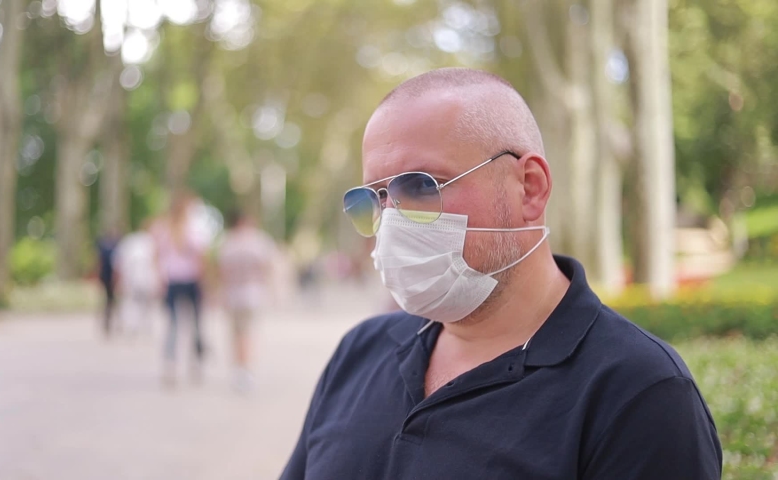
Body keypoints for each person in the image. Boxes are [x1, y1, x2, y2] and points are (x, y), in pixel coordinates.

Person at [280, 68, 722, 479]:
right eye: (374, 199)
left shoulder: (639, 393)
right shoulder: (360, 352)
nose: (391, 222)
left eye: (419, 186)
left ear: (530, 188)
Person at [216, 209, 278, 392]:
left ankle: (238, 368)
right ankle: (245, 369)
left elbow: (222, 271)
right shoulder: (258, 241)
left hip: (233, 294)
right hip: (252, 294)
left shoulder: (228, 242)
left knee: (236, 333)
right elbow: (267, 267)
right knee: (247, 333)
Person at [153, 193, 208, 385]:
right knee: (188, 324)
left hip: (178, 280)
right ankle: (187, 363)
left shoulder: (169, 229)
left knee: (181, 324)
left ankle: (177, 363)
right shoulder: (187, 229)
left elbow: (157, 257)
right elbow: (201, 257)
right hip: (184, 280)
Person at [113, 219, 161, 336]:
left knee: (132, 303)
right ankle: (143, 327)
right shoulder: (150, 242)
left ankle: (132, 327)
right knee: (144, 304)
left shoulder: (129, 241)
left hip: (133, 278)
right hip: (143, 278)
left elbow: (118, 262)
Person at [95, 228, 120, 337]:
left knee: (109, 301)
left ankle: (110, 322)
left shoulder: (105, 248)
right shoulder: (114, 248)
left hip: (106, 277)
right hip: (108, 278)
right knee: (110, 300)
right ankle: (111, 322)